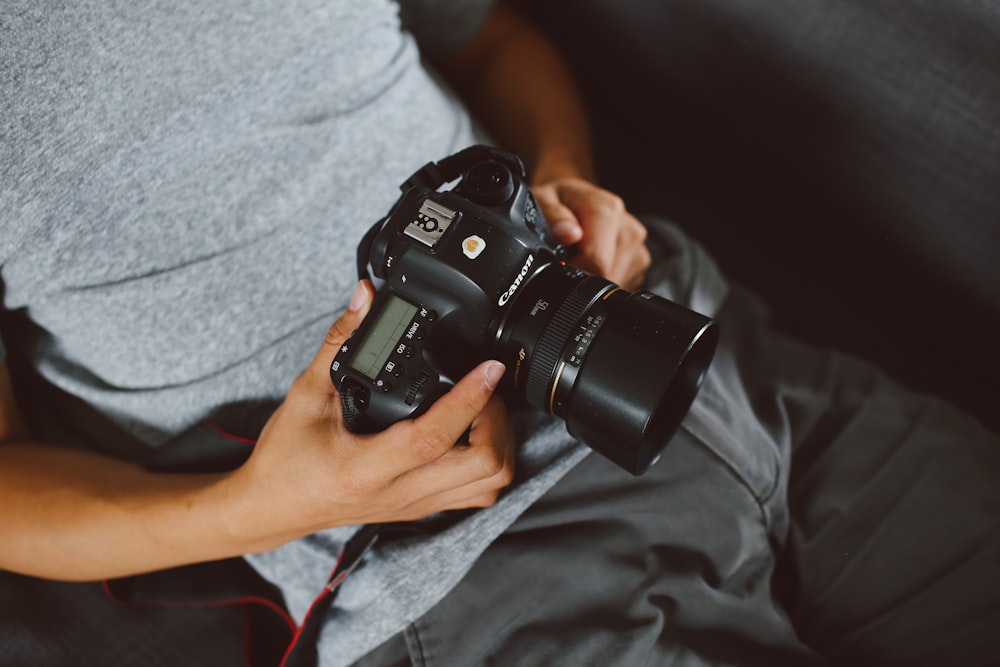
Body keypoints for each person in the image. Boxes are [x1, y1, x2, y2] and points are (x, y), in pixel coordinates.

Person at [1, 1, 997, 666]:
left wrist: (564, 181)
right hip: (466, 560)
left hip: (694, 349)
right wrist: (257, 509)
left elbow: (490, 41)